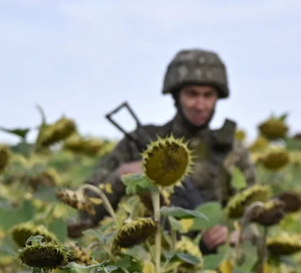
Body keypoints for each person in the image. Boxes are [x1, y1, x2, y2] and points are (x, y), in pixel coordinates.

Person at [71, 49, 256, 251]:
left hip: (211, 268)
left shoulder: (232, 152)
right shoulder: (141, 142)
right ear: (177, 96)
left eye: (208, 95)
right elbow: (85, 211)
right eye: (192, 94)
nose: (200, 105)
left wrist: (236, 233)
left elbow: (254, 217)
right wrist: (120, 177)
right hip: (150, 264)